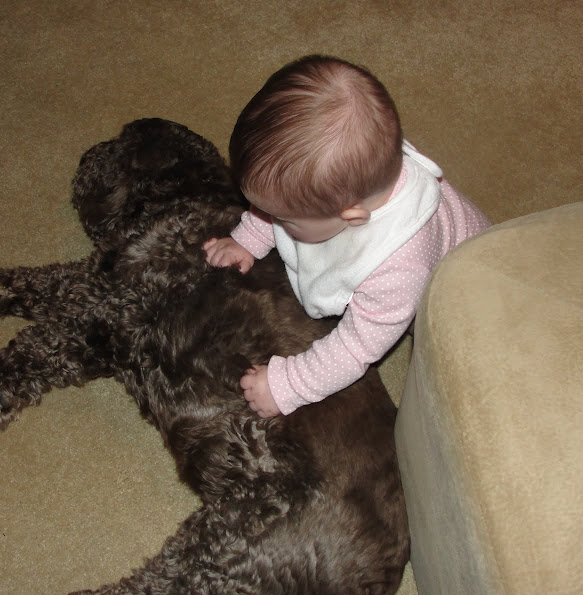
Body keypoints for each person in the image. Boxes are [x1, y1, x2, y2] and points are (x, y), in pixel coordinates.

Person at [204, 55, 490, 418]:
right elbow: (277, 203)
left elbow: (356, 348)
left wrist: (290, 384)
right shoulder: (358, 168)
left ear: (352, 217)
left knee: (452, 361)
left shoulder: (397, 266)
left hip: (474, 302)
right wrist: (248, 238)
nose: (270, 219)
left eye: (284, 220)